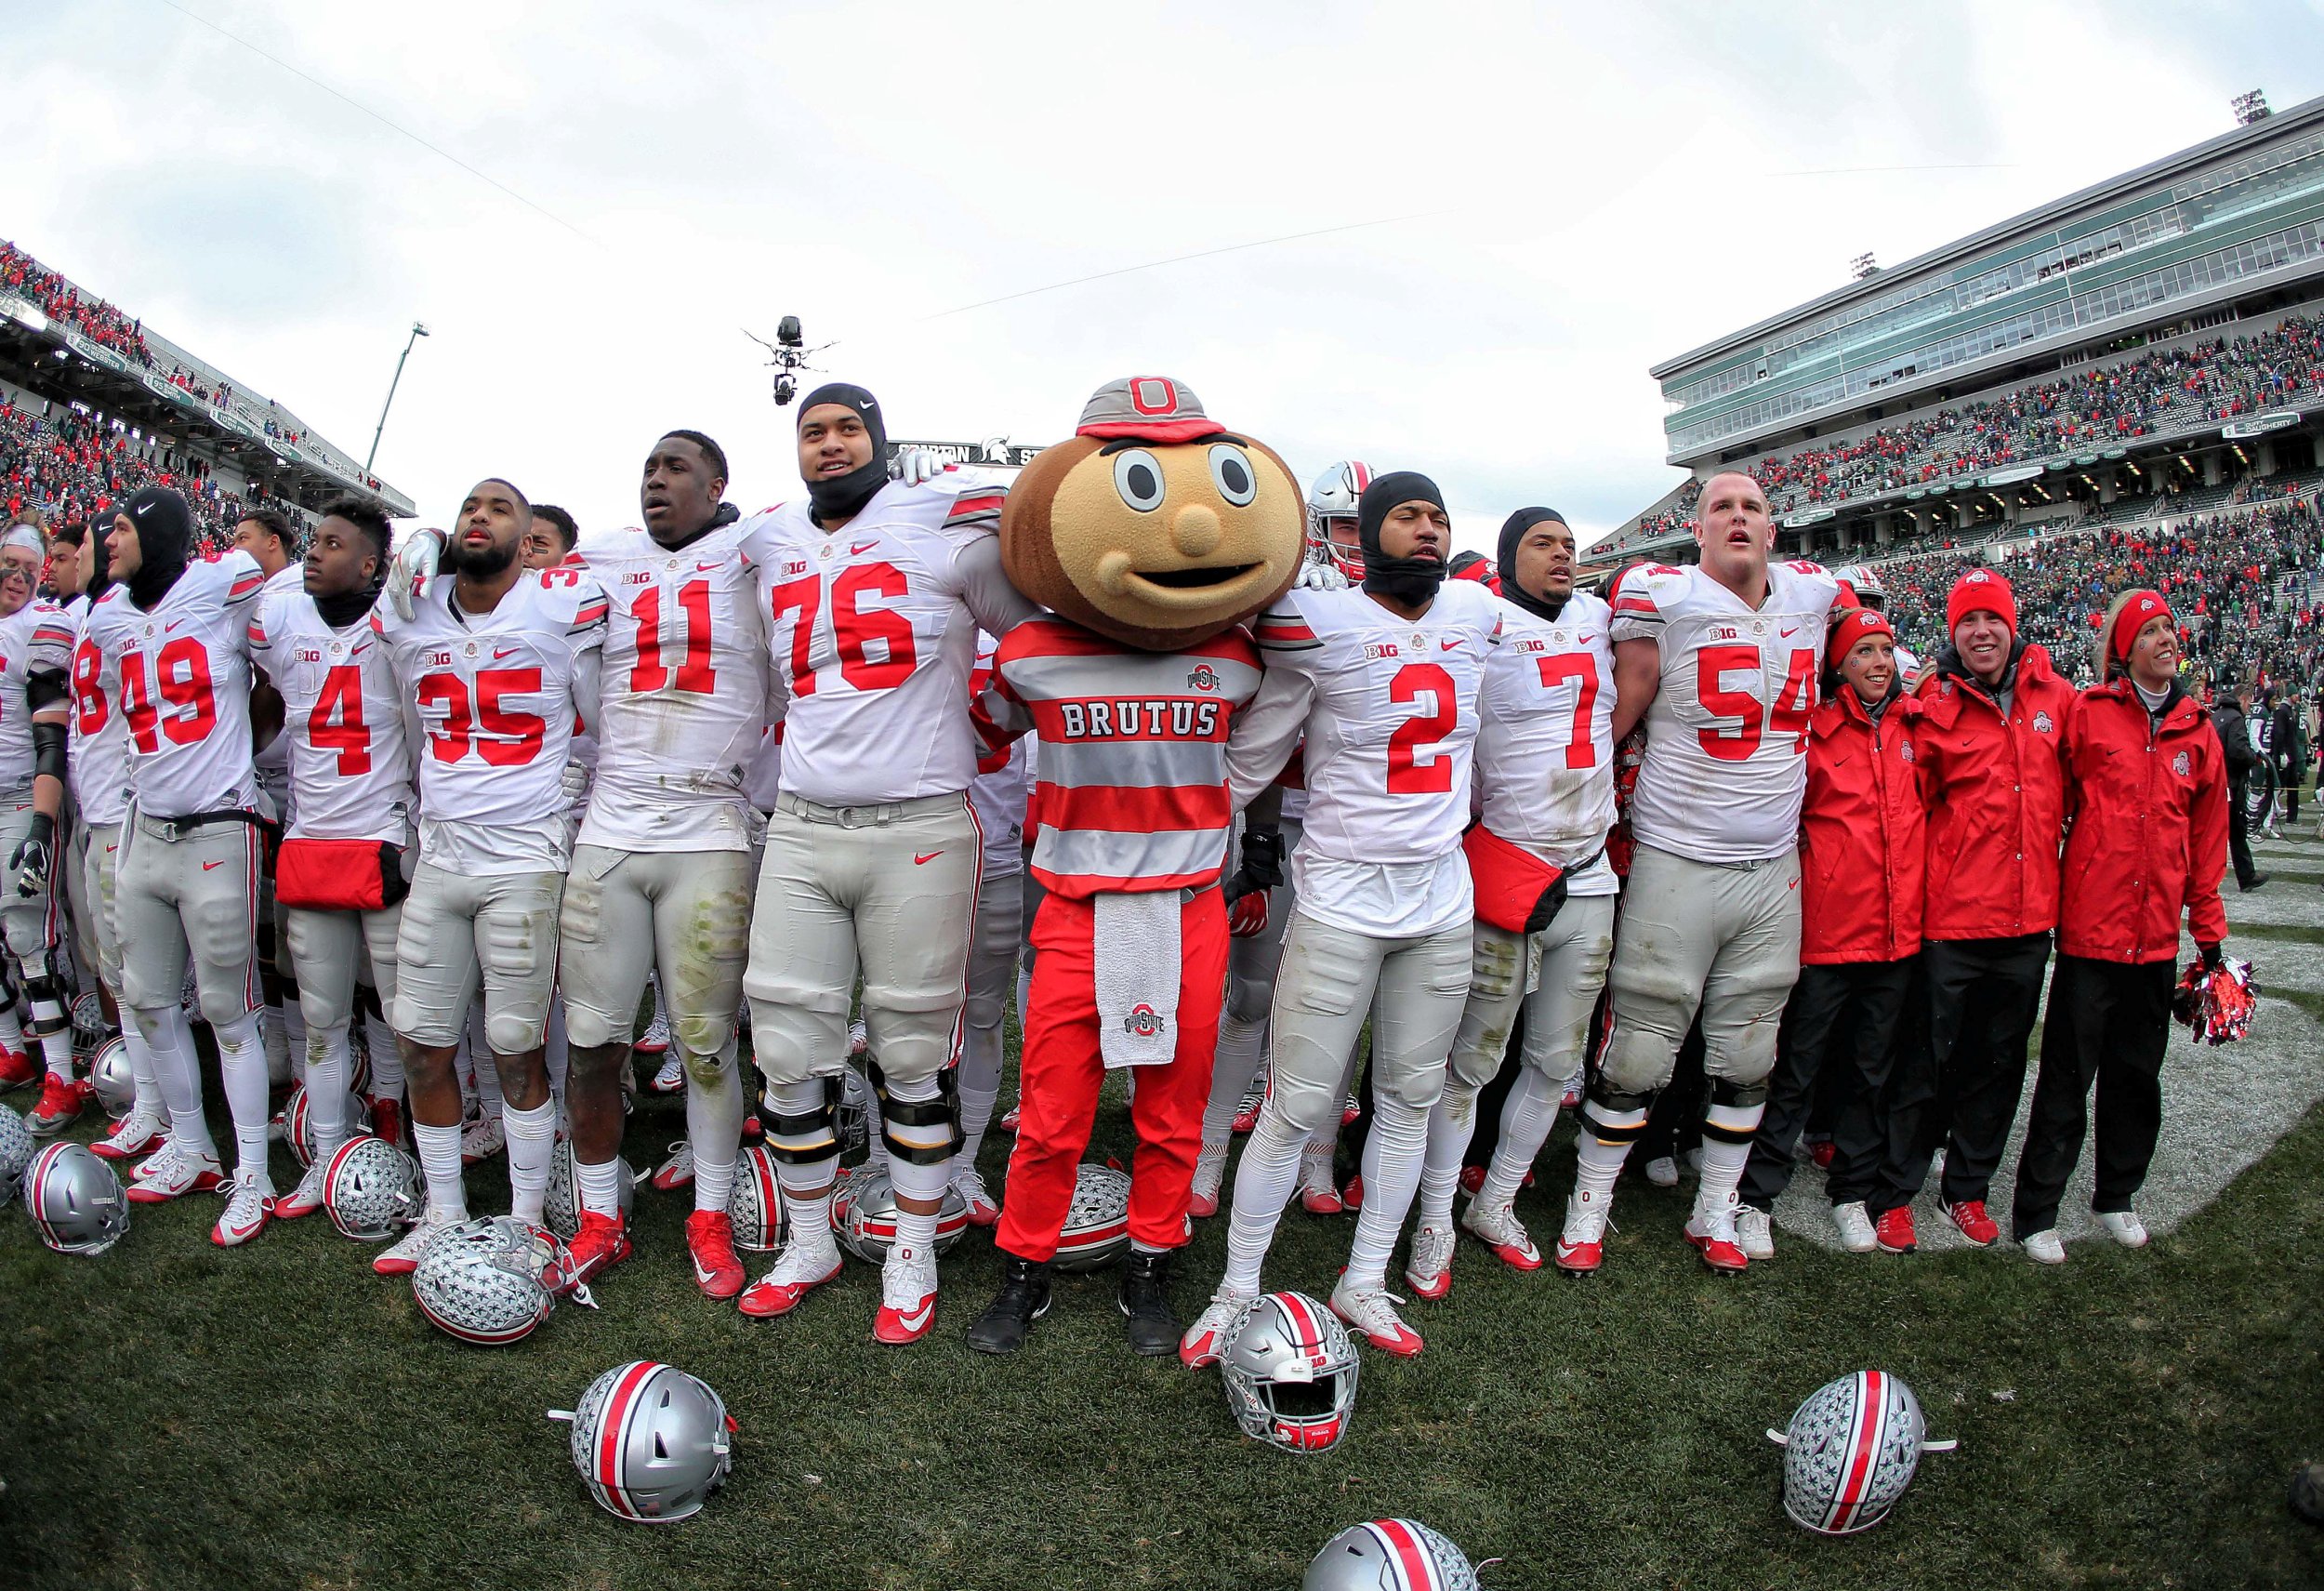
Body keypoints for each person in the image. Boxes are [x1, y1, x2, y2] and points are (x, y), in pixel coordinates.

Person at [733, 383, 1037, 1343]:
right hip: (802, 820)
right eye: (811, 431)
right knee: (786, 1050)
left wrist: (989, 721)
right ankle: (812, 1238)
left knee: (910, 1051)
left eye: (847, 428)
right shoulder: (769, 537)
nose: (829, 444)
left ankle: (911, 1240)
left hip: (919, 820)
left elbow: (1033, 647)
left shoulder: (945, 520)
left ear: (881, 440)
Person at [1183, 471, 1501, 1363]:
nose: (1429, 529)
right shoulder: (1318, 624)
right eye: (1408, 515)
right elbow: (1253, 749)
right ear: (1364, 535)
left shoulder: (1477, 615)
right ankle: (1236, 1284)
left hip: (1440, 898)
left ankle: (1364, 1277)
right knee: (1294, 1106)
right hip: (1340, 898)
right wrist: (1187, 835)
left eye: (1440, 515)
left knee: (1407, 1097)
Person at [1553, 471, 1840, 1276]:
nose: (1739, 518)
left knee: (1751, 1048)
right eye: (1723, 508)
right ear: (1699, 530)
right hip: (1678, 853)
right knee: (1642, 1041)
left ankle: (1715, 1208)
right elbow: (1628, 702)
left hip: (1770, 862)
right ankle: (1590, 1203)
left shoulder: (1817, 596)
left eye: (1753, 507)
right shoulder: (1663, 593)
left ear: (1774, 531)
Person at [372, 478, 608, 1276]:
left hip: (524, 858)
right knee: (423, 1043)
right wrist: (419, 549)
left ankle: (525, 1216)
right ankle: (443, 1211)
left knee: (514, 1046)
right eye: (470, 506)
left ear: (529, 533)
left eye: (499, 508)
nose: (481, 517)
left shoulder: (559, 602)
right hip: (440, 857)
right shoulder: (410, 612)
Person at [556, 431, 763, 1299]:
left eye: (675, 467)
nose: (655, 480)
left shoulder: (760, 549)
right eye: (647, 466)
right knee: (591, 1039)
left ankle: (710, 1213)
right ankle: (602, 1216)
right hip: (612, 828)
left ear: (719, 483)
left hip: (710, 826)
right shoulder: (599, 555)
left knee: (707, 1042)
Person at [1406, 507, 1617, 1289]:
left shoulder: (1602, 614)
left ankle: (1492, 1200)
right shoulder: (1478, 617)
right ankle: (1433, 1217)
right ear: (1506, 557)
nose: (1562, 554)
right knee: (1472, 1060)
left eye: (1569, 543)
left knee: (1556, 1057)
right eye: (1543, 543)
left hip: (1591, 869)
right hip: (1507, 869)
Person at [2010, 590, 2227, 1263]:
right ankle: (2036, 1210)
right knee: (2067, 1076)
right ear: (2125, 649)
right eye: (2151, 630)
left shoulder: (2199, 729)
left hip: (2156, 937)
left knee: (2138, 1074)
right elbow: (2054, 800)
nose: (2167, 637)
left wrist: (2210, 931)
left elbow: (2209, 837)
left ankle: (2116, 1194)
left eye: (2170, 627)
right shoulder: (2090, 714)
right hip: (2090, 933)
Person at [86, 487, 277, 1243]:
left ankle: (255, 1174)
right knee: (150, 998)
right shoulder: (105, 617)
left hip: (217, 825)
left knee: (231, 1009)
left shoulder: (221, 580)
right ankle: (193, 1145)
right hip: (148, 826)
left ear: (161, 531)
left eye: (124, 527)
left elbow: (274, 612)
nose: (109, 539)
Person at [1876, 568, 2074, 1250]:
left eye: (1992, 619)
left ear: (2012, 625)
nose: (1981, 632)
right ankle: (1896, 1189)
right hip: (1953, 922)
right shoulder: (1931, 705)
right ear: (1952, 633)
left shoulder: (2057, 699)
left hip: (2027, 923)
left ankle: (1966, 1189)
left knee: (1998, 1063)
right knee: (1924, 1063)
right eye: (1968, 622)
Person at [1736, 604, 1926, 1259]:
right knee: (1796, 1073)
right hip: (1828, 934)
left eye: (1884, 649)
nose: (1878, 662)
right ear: (1839, 663)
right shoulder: (1814, 730)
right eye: (1864, 650)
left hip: (1896, 938)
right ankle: (1756, 1197)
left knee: (1871, 1074)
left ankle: (1851, 1193)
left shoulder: (1914, 727)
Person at [245, 499, 415, 1220]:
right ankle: (327, 1150)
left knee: (402, 1014)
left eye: (333, 543)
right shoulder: (282, 621)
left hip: (382, 837)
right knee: (321, 1019)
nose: (314, 552)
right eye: (312, 540)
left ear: (372, 564)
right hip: (313, 842)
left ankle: (396, 1127)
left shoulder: (401, 625)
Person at [0, 550, 78, 1133]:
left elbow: (54, 733)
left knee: (28, 934)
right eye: (7, 562)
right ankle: (10, 1048)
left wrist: (41, 824)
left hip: (21, 794)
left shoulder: (42, 628)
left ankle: (62, 1076)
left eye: (29, 566)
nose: (17, 576)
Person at [232, 507, 306, 1088]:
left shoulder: (286, 595)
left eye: (244, 539)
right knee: (270, 931)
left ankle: (296, 1048)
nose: (234, 550)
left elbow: (271, 692)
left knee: (289, 933)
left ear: (275, 544)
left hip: (295, 784)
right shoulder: (260, 595)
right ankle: (285, 1045)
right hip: (273, 783)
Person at [2213, 681, 2265, 892]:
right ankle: (2246, 875)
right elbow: (2238, 750)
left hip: (2216, 782)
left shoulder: (2216, 716)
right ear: (2243, 700)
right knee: (2236, 831)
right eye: (2249, 704)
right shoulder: (2235, 719)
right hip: (2231, 784)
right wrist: (2253, 758)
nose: (2249, 709)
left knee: (2218, 833)